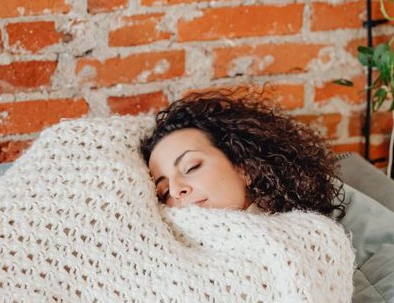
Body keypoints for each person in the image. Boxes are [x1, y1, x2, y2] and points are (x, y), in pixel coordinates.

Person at [140, 90, 346, 219]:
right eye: (164, 192)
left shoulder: (309, 230)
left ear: (245, 168)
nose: (176, 190)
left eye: (191, 167)